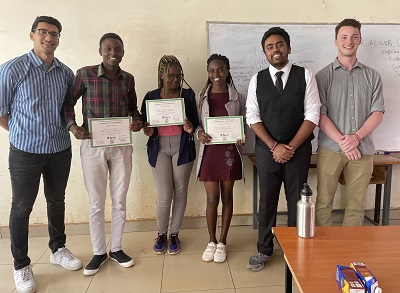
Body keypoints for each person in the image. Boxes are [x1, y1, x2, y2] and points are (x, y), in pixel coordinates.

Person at [0, 16, 82, 293]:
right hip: (25, 152)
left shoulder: (66, 73)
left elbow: (67, 109)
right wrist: (22, 132)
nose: (49, 38)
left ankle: (58, 249)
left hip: (59, 149)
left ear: (59, 39)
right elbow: (1, 112)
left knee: (56, 201)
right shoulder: (13, 69)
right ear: (32, 35)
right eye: (44, 32)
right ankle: (21, 265)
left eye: (55, 34)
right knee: (22, 208)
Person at [64, 33, 143, 276]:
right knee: (96, 203)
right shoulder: (85, 74)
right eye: (108, 48)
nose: (113, 52)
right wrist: (73, 126)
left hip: (121, 146)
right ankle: (99, 252)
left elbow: (133, 109)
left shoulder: (128, 79)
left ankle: (117, 248)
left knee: (119, 200)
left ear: (123, 51)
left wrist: (138, 121)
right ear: (100, 51)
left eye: (117, 48)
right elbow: (67, 103)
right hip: (92, 145)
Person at [245, 27, 321, 271]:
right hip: (268, 152)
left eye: (279, 45)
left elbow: (312, 115)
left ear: (288, 47)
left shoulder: (305, 75)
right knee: (266, 201)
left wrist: (290, 147)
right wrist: (274, 146)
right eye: (269, 47)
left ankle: (294, 249)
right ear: (264, 53)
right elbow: (252, 117)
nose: (275, 50)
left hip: (298, 151)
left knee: (297, 201)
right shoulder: (257, 79)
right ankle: (264, 249)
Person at [315, 19, 384, 227]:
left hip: (362, 149)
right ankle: (322, 251)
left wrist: (356, 138)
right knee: (323, 202)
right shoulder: (322, 76)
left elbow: (378, 112)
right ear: (335, 41)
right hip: (330, 149)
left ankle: (350, 253)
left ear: (360, 40)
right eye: (344, 37)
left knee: (356, 206)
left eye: (354, 36)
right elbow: (319, 115)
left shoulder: (372, 76)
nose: (349, 41)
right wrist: (344, 142)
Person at [141, 55, 199, 255]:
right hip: (159, 148)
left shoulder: (189, 95)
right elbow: (145, 124)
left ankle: (174, 233)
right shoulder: (151, 96)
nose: (175, 80)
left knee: (180, 192)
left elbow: (196, 122)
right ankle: (161, 233)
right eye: (171, 75)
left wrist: (191, 127)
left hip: (182, 146)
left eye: (179, 75)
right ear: (162, 75)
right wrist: (147, 130)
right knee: (164, 194)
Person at [195, 54, 246, 263]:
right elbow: (197, 124)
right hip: (208, 152)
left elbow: (244, 124)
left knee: (227, 197)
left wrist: (242, 136)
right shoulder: (200, 97)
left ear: (227, 70)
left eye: (221, 70)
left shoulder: (238, 97)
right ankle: (211, 241)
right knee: (211, 199)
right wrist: (199, 133)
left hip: (229, 153)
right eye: (212, 71)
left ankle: (223, 242)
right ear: (208, 73)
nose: (216, 74)